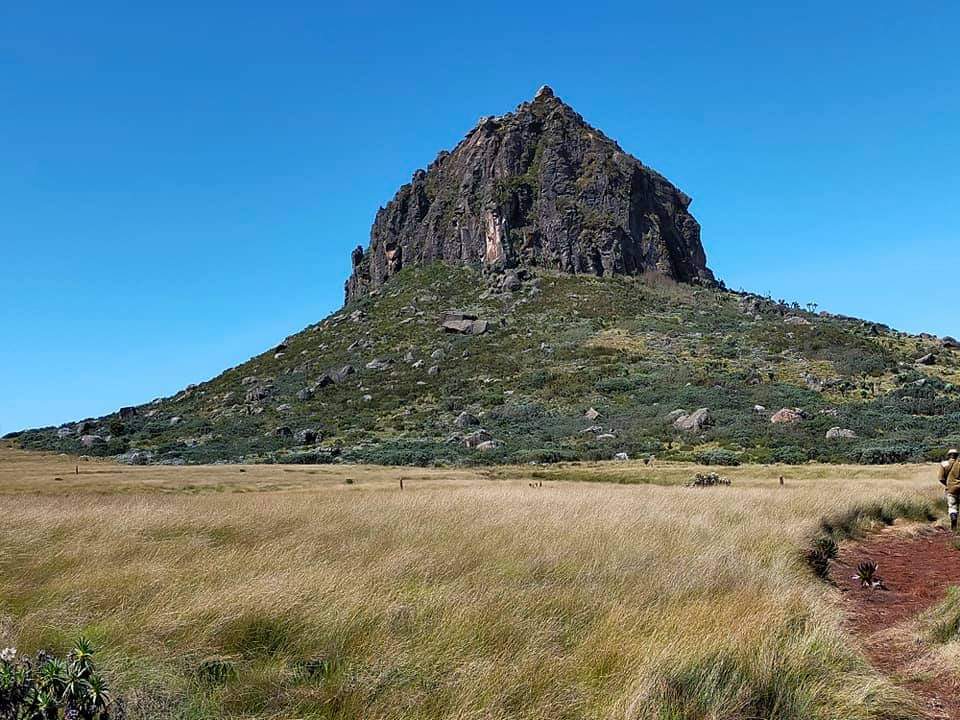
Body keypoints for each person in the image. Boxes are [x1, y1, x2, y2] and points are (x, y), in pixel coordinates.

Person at [940, 449, 960, 531]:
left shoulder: (944, 464)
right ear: (957, 455)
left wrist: (947, 484)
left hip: (951, 489)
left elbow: (941, 478)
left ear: (949, 455)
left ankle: (953, 526)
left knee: (952, 507)